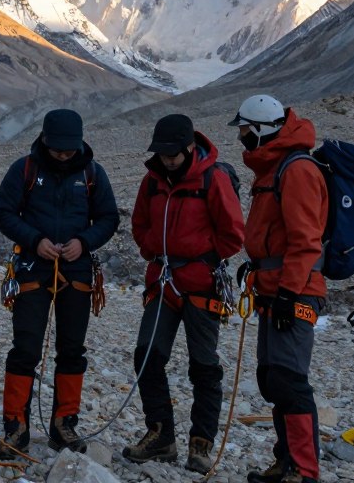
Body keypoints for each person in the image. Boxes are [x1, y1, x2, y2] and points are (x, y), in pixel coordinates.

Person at [0, 109, 120, 459]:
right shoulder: (25, 170)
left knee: (72, 349)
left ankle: (64, 425)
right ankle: (16, 427)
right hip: (33, 268)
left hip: (76, 273)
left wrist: (84, 241)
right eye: (58, 149)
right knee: (25, 349)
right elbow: (3, 212)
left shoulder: (93, 173)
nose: (63, 155)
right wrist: (35, 240)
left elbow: (109, 217)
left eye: (69, 149)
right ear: (45, 140)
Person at [124, 114, 244, 472]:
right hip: (163, 281)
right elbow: (139, 224)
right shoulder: (153, 181)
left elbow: (233, 234)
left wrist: (199, 257)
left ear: (190, 147)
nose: (167, 160)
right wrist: (154, 249)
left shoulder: (213, 178)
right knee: (146, 355)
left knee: (203, 366)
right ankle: (161, 436)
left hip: (200, 284)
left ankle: (200, 444)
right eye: (161, 154)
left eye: (173, 154)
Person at [229, 95, 327, 483]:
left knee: (289, 380)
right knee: (272, 379)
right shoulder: (272, 169)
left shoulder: (297, 170)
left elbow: (305, 241)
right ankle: (286, 461)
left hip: (295, 290)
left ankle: (304, 471)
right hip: (274, 289)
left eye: (245, 131)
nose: (241, 138)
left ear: (262, 130)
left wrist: (288, 292)